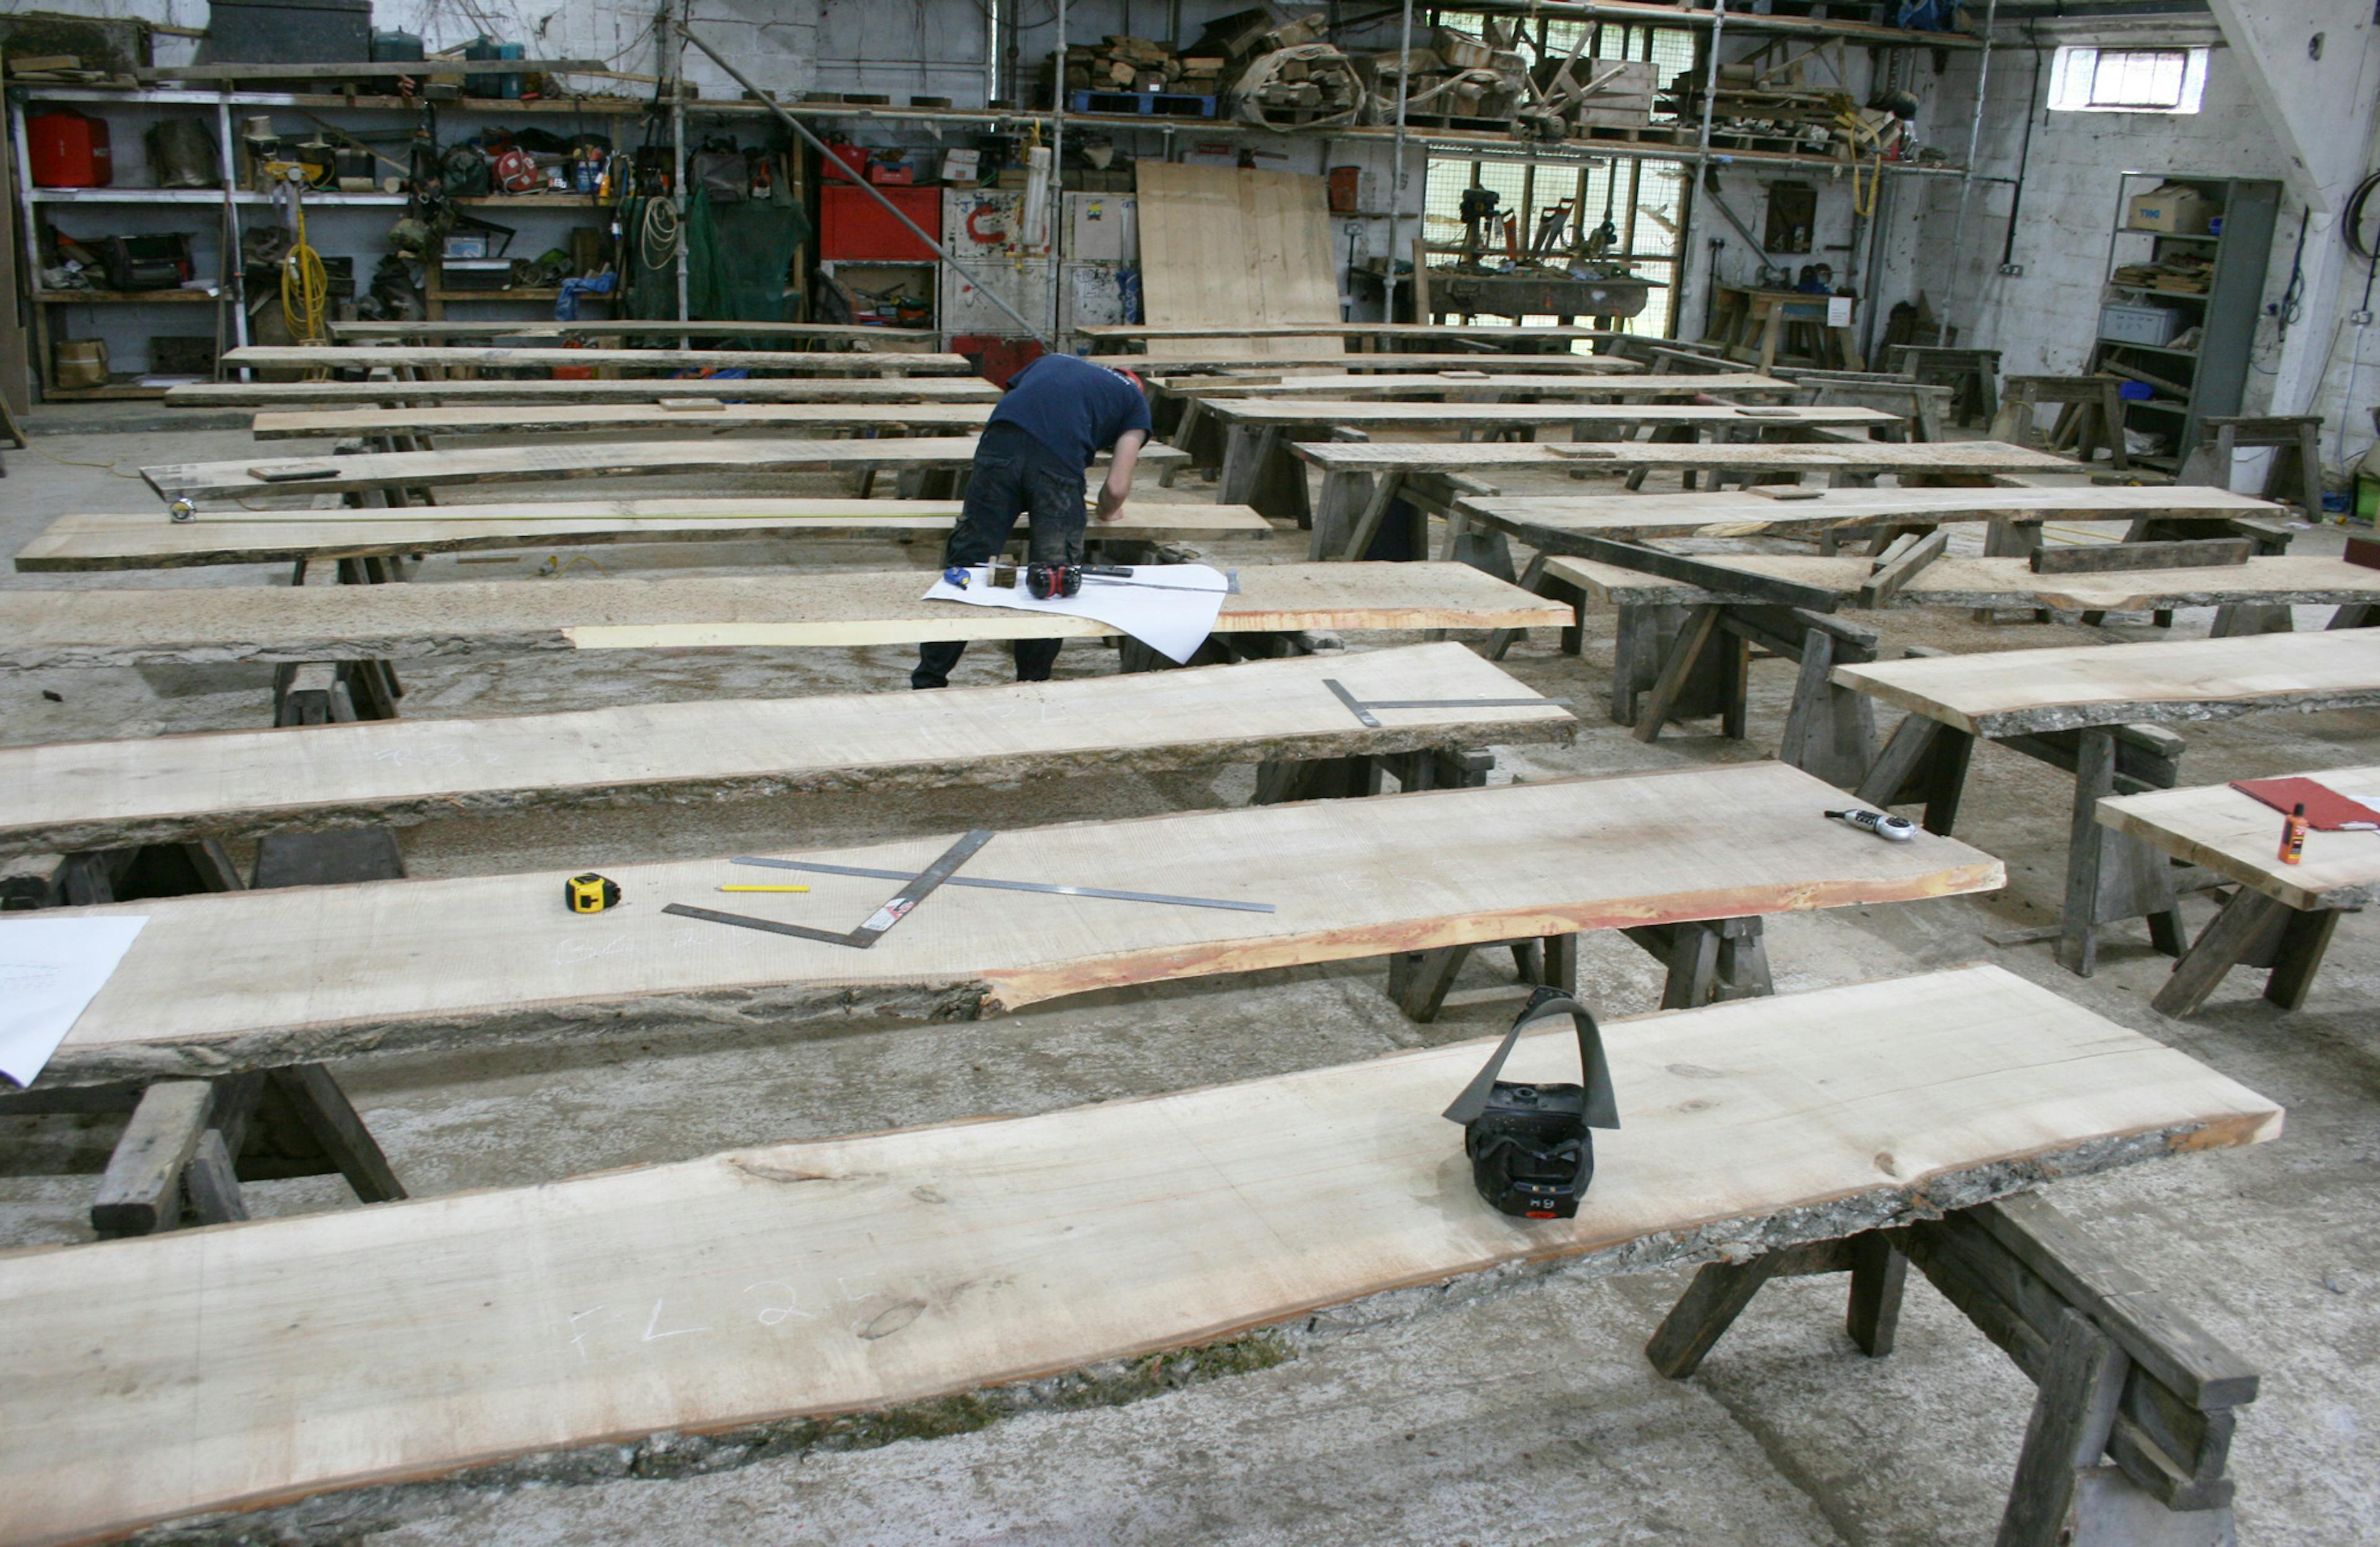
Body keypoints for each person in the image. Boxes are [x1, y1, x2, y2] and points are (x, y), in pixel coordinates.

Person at [912, 353, 1152, 690]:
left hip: (999, 443)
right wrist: (1109, 511)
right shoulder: (1134, 403)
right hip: (1058, 463)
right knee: (1052, 580)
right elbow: (1116, 487)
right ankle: (1031, 685)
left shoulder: (1052, 360)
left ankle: (929, 678)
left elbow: (1018, 408)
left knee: (966, 570)